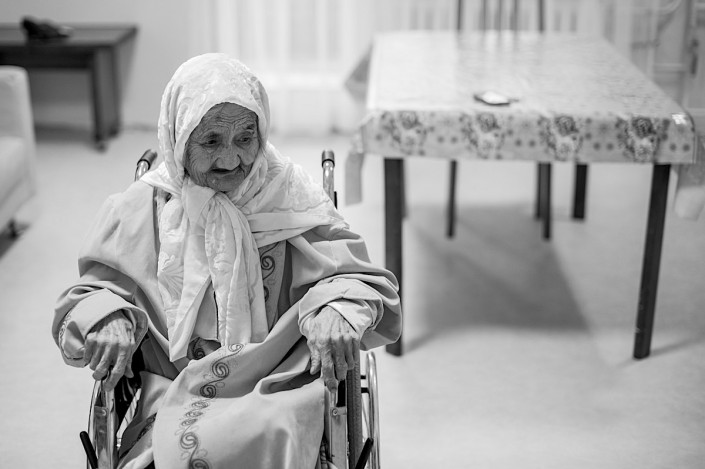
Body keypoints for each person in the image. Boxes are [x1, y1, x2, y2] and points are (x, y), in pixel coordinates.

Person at [52, 53, 402, 469]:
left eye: (245, 138)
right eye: (211, 141)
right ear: (179, 138)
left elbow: (356, 278)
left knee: (265, 432)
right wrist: (108, 316)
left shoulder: (289, 195)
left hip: (277, 384)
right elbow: (91, 292)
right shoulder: (141, 206)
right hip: (170, 384)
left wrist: (337, 309)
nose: (232, 159)